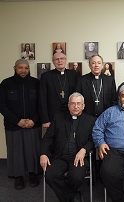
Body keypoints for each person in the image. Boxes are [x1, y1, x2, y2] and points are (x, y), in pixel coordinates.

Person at [40, 92, 96, 202]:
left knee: (76, 176)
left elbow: (93, 140)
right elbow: (47, 138)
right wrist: (43, 154)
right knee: (50, 174)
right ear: (68, 105)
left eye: (79, 104)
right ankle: (73, 196)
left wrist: (84, 150)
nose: (76, 106)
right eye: (73, 103)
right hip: (60, 156)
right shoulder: (58, 117)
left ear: (83, 106)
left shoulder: (90, 120)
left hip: (78, 157)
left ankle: (67, 196)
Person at [0, 59, 41, 190]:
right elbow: (2, 106)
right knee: (16, 152)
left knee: (32, 151)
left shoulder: (36, 83)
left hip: (32, 124)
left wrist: (34, 120)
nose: (23, 71)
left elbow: (41, 105)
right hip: (13, 125)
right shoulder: (6, 84)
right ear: (15, 68)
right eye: (20, 68)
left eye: (26, 68)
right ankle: (18, 177)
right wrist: (17, 121)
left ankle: (32, 174)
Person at [39, 52, 78, 128]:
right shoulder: (46, 76)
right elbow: (42, 99)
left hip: (71, 114)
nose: (59, 61)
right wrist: (45, 120)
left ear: (65, 60)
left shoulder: (73, 74)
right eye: (56, 59)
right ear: (53, 62)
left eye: (62, 59)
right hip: (53, 116)